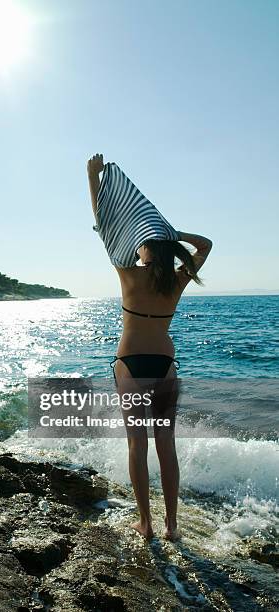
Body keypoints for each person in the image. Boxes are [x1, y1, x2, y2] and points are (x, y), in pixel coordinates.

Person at [87, 153, 212, 541]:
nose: (137, 245)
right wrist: (173, 235)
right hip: (164, 364)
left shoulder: (127, 275)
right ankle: (173, 525)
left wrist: (92, 178)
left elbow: (105, 223)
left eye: (142, 242)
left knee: (137, 446)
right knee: (166, 446)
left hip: (130, 363)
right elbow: (205, 244)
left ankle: (145, 524)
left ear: (146, 250)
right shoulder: (177, 281)